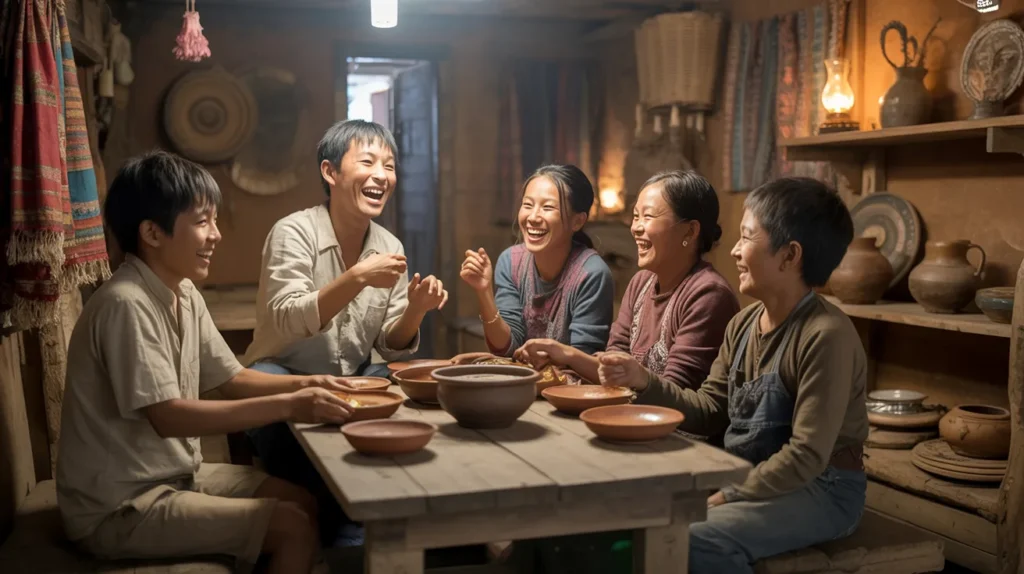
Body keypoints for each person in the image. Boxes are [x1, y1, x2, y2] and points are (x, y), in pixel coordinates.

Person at [56, 151, 356, 574]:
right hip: (121, 506)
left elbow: (232, 379)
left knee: (303, 500)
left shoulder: (183, 293)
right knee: (292, 527)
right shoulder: (126, 303)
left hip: (175, 477)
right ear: (152, 233)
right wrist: (291, 405)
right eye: (202, 222)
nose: (215, 235)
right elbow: (170, 417)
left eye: (214, 221)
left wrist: (314, 384)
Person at [597, 177, 868, 573]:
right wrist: (643, 381)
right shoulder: (743, 324)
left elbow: (807, 456)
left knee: (693, 539)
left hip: (822, 488)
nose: (736, 251)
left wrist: (729, 493)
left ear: (789, 256)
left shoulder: (825, 335)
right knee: (628, 515)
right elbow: (709, 409)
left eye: (747, 238)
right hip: (751, 472)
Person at [241, 119, 446, 547]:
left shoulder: (388, 246)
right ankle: (343, 528)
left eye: (389, 166)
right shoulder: (293, 232)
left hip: (351, 381)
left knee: (399, 380)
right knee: (276, 389)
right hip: (283, 375)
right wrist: (356, 277)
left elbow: (389, 345)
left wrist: (418, 311)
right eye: (368, 162)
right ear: (330, 172)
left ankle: (414, 507)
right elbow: (287, 317)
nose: (381, 176)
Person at [516, 171, 739, 397]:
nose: (636, 228)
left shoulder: (708, 294)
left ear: (690, 231)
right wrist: (563, 354)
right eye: (635, 216)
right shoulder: (641, 283)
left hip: (676, 430)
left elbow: (677, 393)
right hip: (634, 417)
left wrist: (571, 357)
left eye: (648, 217)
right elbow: (612, 365)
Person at [460, 164, 614, 358]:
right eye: (527, 205)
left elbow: (585, 363)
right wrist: (484, 292)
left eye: (547, 207)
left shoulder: (591, 273)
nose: (533, 217)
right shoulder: (511, 261)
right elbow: (507, 348)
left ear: (578, 221)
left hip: (571, 387)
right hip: (524, 383)